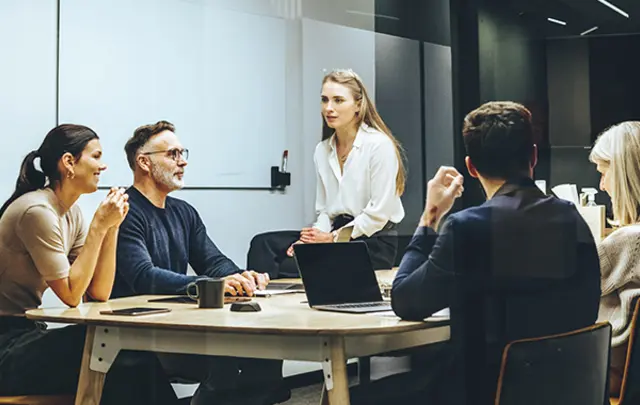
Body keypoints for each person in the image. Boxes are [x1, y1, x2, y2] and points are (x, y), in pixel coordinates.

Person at [388, 102, 601, 405]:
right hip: (571, 392)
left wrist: (430, 216)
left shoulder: (467, 228)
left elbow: (406, 301)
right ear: (534, 155)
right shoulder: (572, 219)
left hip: (486, 392)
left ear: (471, 167)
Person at [0, 125, 178, 404]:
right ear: (69, 162)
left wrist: (112, 227)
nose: (103, 165)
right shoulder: (37, 211)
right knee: (117, 353)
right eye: (95, 156)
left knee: (127, 353)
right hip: (6, 346)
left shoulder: (71, 214)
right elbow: (71, 295)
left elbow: (98, 293)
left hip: (27, 337)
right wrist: (98, 226)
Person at [113, 120, 288, 405]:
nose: (182, 162)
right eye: (172, 154)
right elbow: (144, 277)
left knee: (265, 354)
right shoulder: (124, 211)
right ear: (144, 162)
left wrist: (241, 277)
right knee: (227, 358)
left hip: (176, 324)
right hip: (139, 334)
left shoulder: (184, 212)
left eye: (183, 153)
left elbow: (212, 260)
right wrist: (211, 285)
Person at [248, 68, 405, 278]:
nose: (329, 108)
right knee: (262, 244)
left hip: (372, 240)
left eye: (338, 100)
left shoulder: (378, 146)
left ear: (358, 105)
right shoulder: (323, 150)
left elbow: (378, 215)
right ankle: (258, 297)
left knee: (292, 266)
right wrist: (311, 240)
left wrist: (331, 239)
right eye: (324, 100)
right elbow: (324, 211)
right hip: (334, 234)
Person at [589, 121, 640, 396]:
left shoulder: (630, 242)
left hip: (616, 379)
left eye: (604, 173)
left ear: (623, 175)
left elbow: (577, 286)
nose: (602, 185)